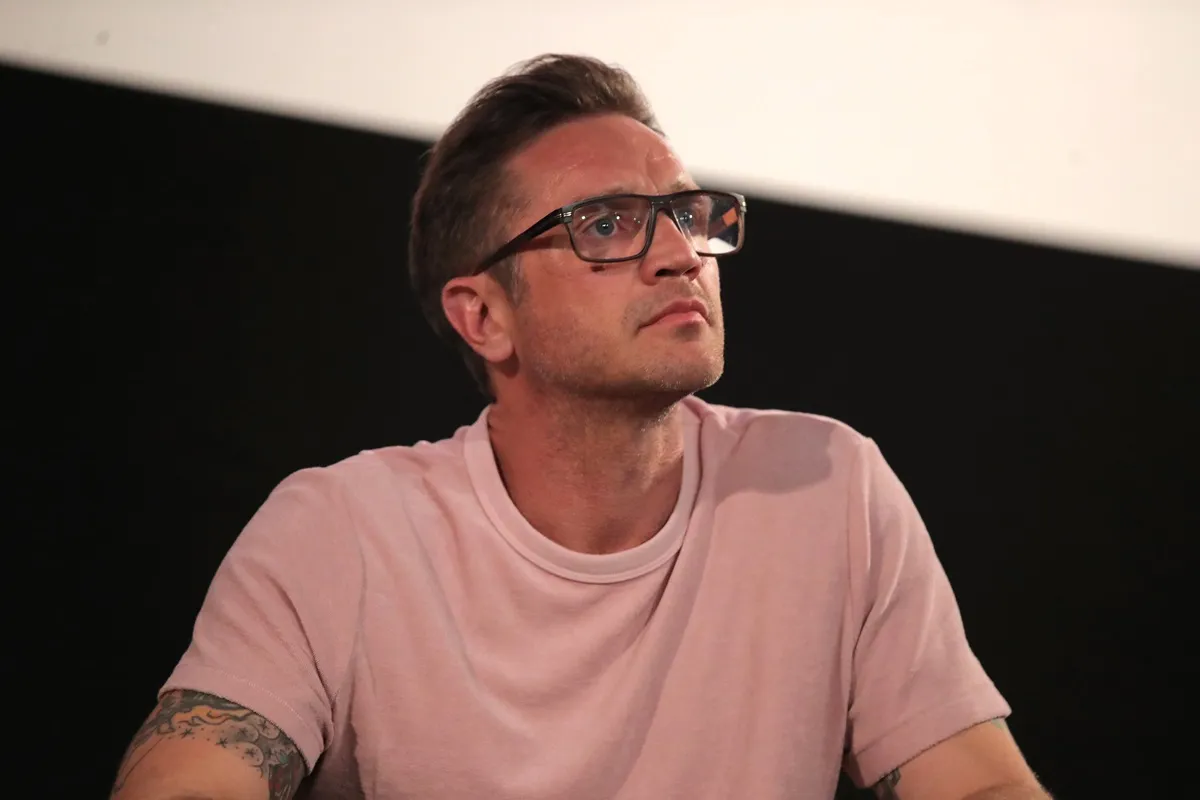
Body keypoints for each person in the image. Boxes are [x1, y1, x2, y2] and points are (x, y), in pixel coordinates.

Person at [111, 54, 1051, 800]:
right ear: (483, 316)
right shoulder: (342, 528)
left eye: (687, 215)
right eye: (607, 225)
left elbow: (974, 785)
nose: (682, 255)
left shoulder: (825, 484)